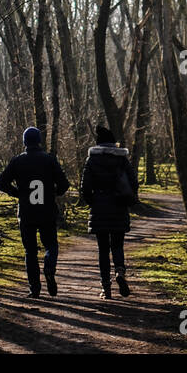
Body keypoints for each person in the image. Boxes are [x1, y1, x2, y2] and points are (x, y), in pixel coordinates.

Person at [0, 126, 70, 298]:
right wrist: (53, 194)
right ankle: (50, 267)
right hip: (47, 211)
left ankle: (34, 289)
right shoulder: (49, 160)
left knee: (30, 251)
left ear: (24, 142)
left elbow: (1, 183)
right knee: (51, 244)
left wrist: (18, 194)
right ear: (39, 141)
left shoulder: (17, 161)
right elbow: (64, 185)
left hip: (27, 212)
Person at [80, 125, 138, 299]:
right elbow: (134, 183)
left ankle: (106, 288)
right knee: (118, 245)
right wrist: (127, 199)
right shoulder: (122, 160)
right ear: (113, 143)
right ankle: (120, 271)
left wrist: (93, 202)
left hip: (100, 208)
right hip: (119, 207)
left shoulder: (92, 160)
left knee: (103, 249)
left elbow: (85, 188)